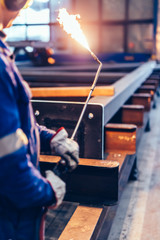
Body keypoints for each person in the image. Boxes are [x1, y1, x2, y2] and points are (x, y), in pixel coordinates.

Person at [0, 0, 79, 239]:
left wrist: (50, 138)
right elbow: (8, 164)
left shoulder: (3, 53)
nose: (25, 7)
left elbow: (11, 127)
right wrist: (46, 191)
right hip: (10, 219)